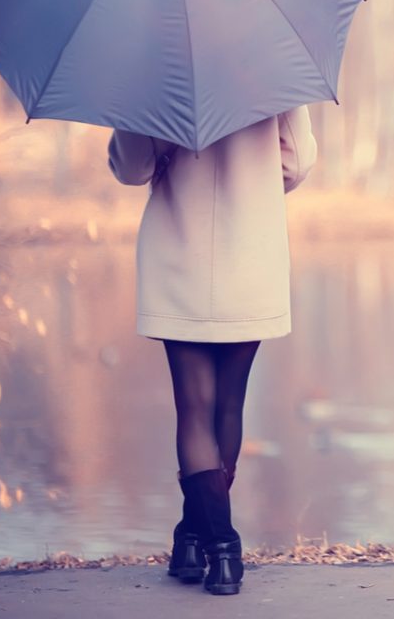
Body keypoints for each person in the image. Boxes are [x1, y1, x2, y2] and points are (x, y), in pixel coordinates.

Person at [107, 107, 317, 596]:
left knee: (194, 409)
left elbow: (131, 168)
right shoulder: (271, 58)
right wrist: (256, 177)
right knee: (228, 405)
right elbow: (297, 162)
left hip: (180, 253)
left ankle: (212, 546)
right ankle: (201, 544)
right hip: (251, 251)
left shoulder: (154, 64)